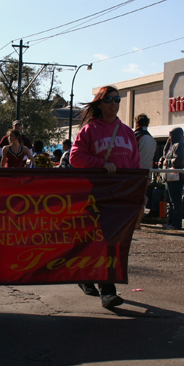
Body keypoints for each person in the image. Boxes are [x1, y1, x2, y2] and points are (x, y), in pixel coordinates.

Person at [70, 85, 140, 309]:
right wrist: (101, 164)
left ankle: (91, 279)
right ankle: (107, 290)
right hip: (96, 195)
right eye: (109, 99)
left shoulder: (128, 132)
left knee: (112, 242)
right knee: (101, 241)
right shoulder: (89, 130)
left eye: (117, 99)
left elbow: (136, 166)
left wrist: (138, 193)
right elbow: (75, 158)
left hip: (121, 196)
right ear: (99, 103)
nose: (114, 103)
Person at [162, 127, 184, 230]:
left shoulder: (179, 145)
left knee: (175, 201)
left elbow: (178, 160)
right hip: (170, 177)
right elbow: (165, 155)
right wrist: (167, 144)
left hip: (176, 177)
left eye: (171, 135)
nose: (170, 137)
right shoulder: (173, 145)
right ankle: (171, 221)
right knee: (171, 201)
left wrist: (166, 162)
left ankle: (176, 223)